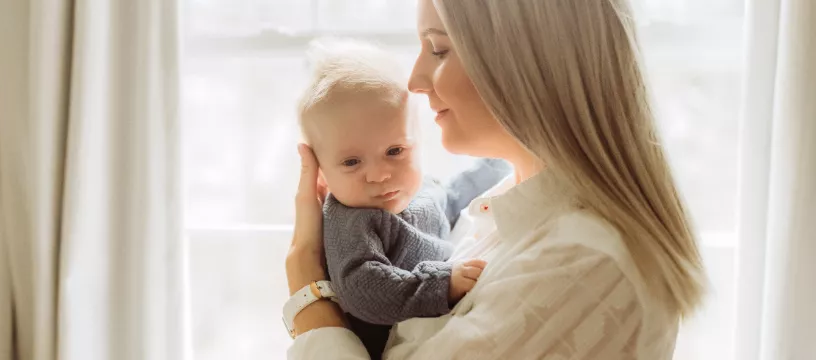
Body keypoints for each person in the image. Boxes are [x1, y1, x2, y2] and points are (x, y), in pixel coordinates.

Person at [285, 0, 707, 358]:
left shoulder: (582, 261)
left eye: (438, 49)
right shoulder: (500, 211)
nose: (413, 81)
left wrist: (306, 285)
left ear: (526, 61)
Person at [293, 38, 511, 358]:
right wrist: (441, 285)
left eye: (395, 151)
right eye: (352, 162)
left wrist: (498, 159)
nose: (380, 174)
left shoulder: (422, 190)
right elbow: (364, 289)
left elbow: (452, 198)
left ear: (418, 143)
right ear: (321, 175)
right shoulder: (352, 221)